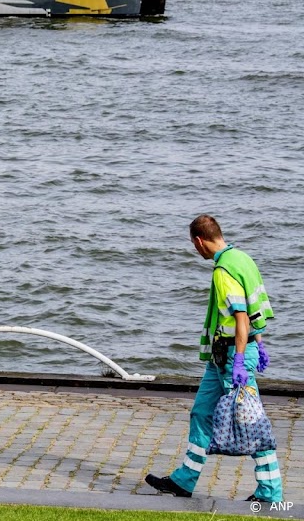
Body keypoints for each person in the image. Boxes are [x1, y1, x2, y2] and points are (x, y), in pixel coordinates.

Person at [145, 215, 281, 503]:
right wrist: (260, 342)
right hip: (222, 358)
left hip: (233, 357)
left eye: (194, 246)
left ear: (199, 241)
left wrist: (243, 359)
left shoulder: (223, 270)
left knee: (251, 421)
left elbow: (242, 316)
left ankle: (270, 492)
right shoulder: (243, 258)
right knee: (201, 414)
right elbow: (258, 310)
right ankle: (184, 480)